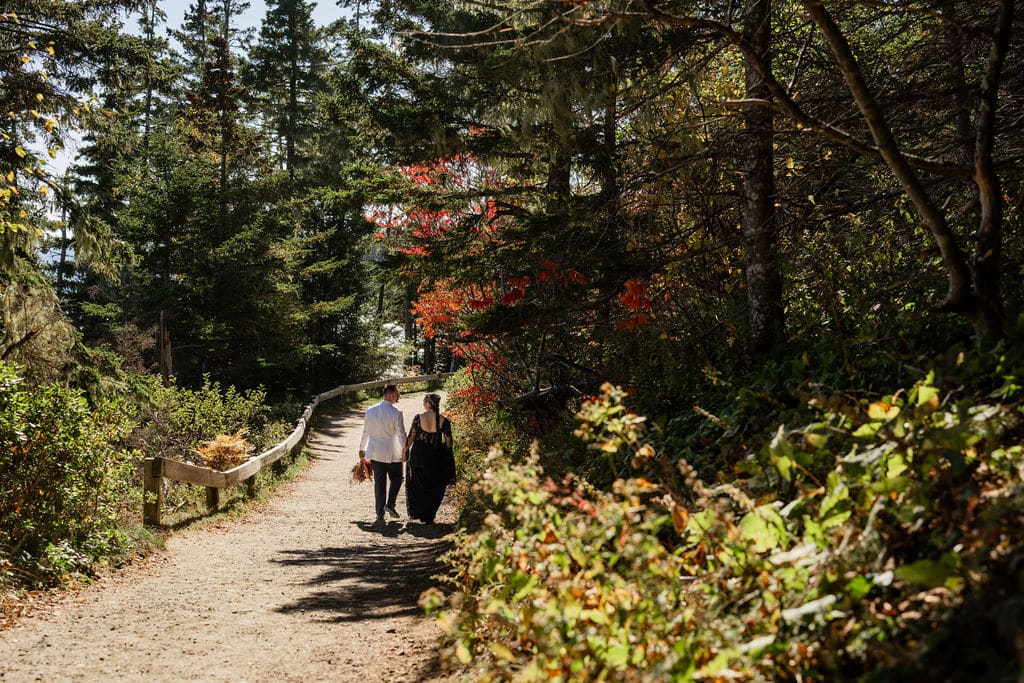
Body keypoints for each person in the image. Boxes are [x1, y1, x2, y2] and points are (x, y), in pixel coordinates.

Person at [403, 392, 455, 524]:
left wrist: (405, 451)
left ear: (428, 403)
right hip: (435, 455)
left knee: (418, 483)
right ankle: (429, 514)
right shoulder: (444, 420)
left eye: (424, 401)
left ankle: (419, 511)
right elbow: (449, 442)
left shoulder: (418, 418)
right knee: (435, 484)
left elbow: (410, 438)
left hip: (419, 455)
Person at [359, 384, 406, 526]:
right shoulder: (396, 413)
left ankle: (380, 514)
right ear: (390, 395)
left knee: (379, 483)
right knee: (397, 478)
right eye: (397, 394)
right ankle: (390, 504)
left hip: (375, 452)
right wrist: (404, 450)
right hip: (392, 452)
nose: (398, 396)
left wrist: (362, 449)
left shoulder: (370, 410)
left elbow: (365, 431)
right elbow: (401, 434)